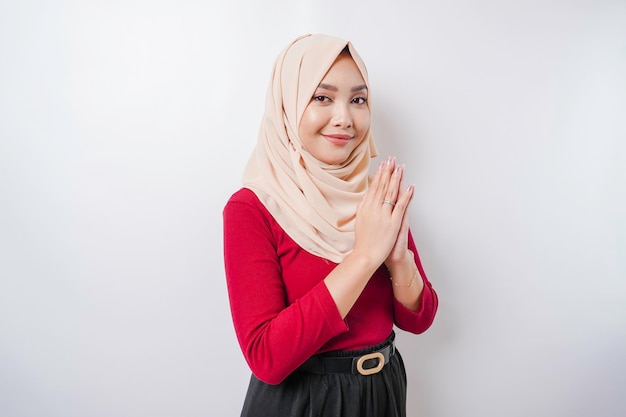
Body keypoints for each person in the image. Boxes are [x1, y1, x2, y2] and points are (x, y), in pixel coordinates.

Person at [223, 34, 438, 417]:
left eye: (358, 99)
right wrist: (364, 257)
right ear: (288, 104)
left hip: (382, 393)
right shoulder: (252, 208)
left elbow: (418, 319)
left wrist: (399, 260)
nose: (344, 118)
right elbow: (266, 357)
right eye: (322, 97)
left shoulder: (373, 193)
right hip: (300, 401)